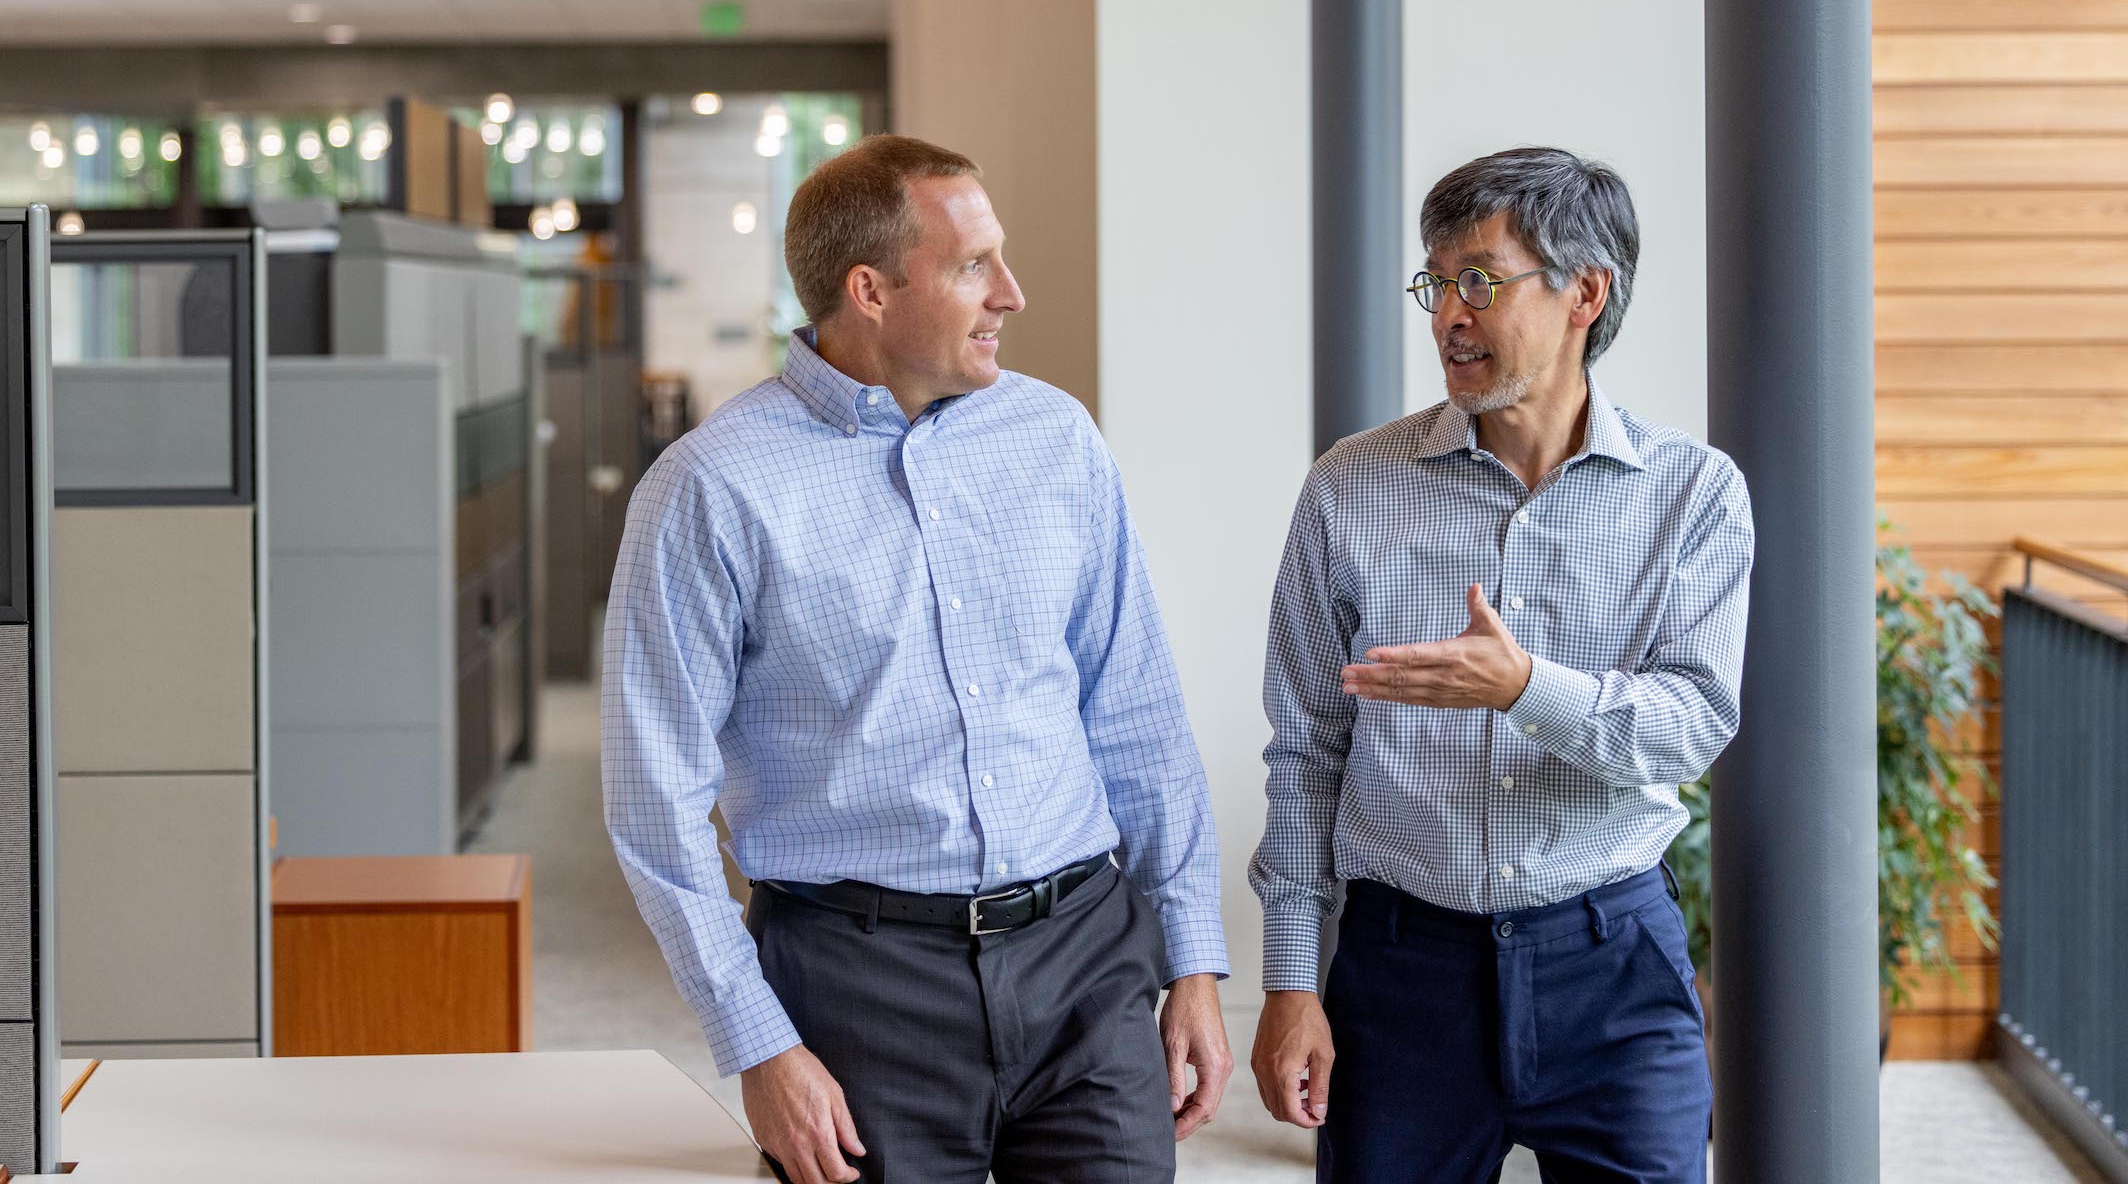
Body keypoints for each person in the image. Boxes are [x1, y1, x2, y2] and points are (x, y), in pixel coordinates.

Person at [604, 135, 1230, 1184]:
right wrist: (758, 1043)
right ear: (870, 290)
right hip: (858, 980)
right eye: (973, 265)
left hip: (1083, 954)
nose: (1012, 295)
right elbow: (652, 800)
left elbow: (1135, 714)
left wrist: (1195, 959)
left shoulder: (1055, 438)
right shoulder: (710, 489)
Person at [1249, 147, 1752, 1184]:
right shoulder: (1350, 487)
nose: (1447, 315)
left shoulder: (1692, 493)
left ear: (1585, 291)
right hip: (1402, 969)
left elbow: (1693, 721)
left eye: (1480, 279)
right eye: (1436, 283)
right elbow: (1304, 751)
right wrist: (1290, 981)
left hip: (1611, 956)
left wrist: (1525, 688)